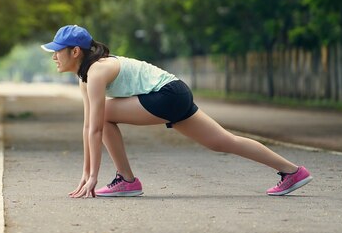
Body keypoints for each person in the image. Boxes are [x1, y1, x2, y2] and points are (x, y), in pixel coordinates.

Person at [41, 24, 313, 198]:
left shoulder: (98, 71)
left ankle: (126, 179)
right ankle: (292, 171)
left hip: (168, 94)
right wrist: (85, 174)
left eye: (57, 51)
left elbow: (96, 127)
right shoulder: (85, 77)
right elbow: (89, 127)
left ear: (75, 51)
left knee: (105, 115)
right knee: (222, 142)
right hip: (175, 92)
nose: (54, 56)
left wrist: (92, 177)